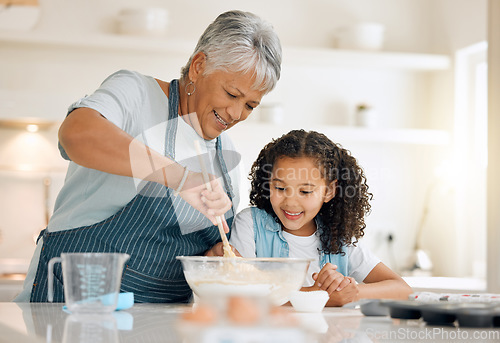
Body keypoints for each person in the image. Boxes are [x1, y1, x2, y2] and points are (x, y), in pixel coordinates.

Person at [15, 10, 282, 303]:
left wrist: (215, 257)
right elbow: (76, 134)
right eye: (232, 94)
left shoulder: (226, 156)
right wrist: (180, 177)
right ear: (198, 66)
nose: (235, 114)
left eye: (250, 106)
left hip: (164, 326)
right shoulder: (136, 94)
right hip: (78, 306)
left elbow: (198, 256)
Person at [229, 130, 413, 306]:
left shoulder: (338, 236)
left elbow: (402, 290)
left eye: (305, 191)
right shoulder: (250, 224)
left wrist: (352, 292)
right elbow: (242, 294)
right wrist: (318, 295)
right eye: (280, 188)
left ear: (329, 191)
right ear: (268, 183)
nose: (291, 202)